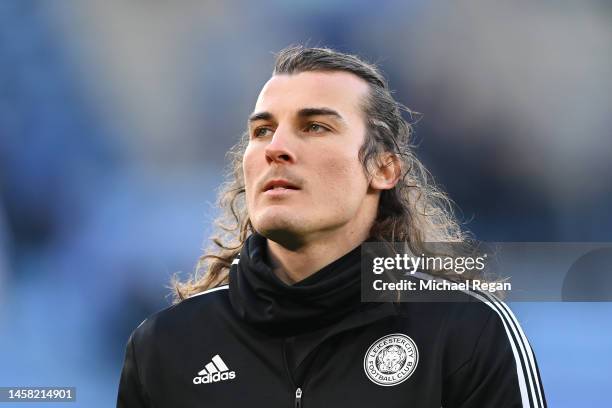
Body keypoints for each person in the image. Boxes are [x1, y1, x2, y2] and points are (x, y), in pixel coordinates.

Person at [117, 46, 547, 407]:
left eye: (315, 127)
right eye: (262, 131)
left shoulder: (466, 328)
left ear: (383, 169)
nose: (276, 148)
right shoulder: (166, 347)